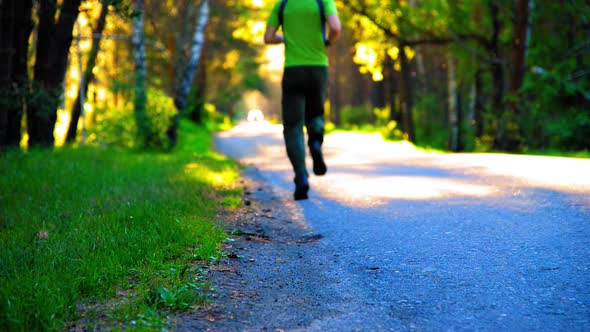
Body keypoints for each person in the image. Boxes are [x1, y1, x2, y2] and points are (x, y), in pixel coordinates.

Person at [264, 0, 341, 200]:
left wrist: (284, 38)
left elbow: (268, 37)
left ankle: (301, 178)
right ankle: (315, 141)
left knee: (292, 126)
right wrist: (329, 42)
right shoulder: (323, 2)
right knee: (315, 113)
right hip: (318, 68)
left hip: (293, 70)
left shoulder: (282, 5)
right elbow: (335, 27)